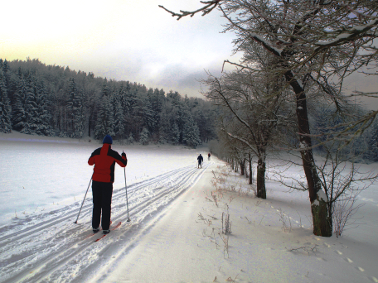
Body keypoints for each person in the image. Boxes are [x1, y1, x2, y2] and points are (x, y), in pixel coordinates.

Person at [88, 134, 127, 234]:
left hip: (96, 182)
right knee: (106, 204)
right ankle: (105, 227)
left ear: (103, 143)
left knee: (96, 204)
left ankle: (95, 226)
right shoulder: (113, 153)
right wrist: (124, 156)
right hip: (107, 183)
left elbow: (90, 162)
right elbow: (123, 164)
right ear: (110, 144)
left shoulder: (96, 151)